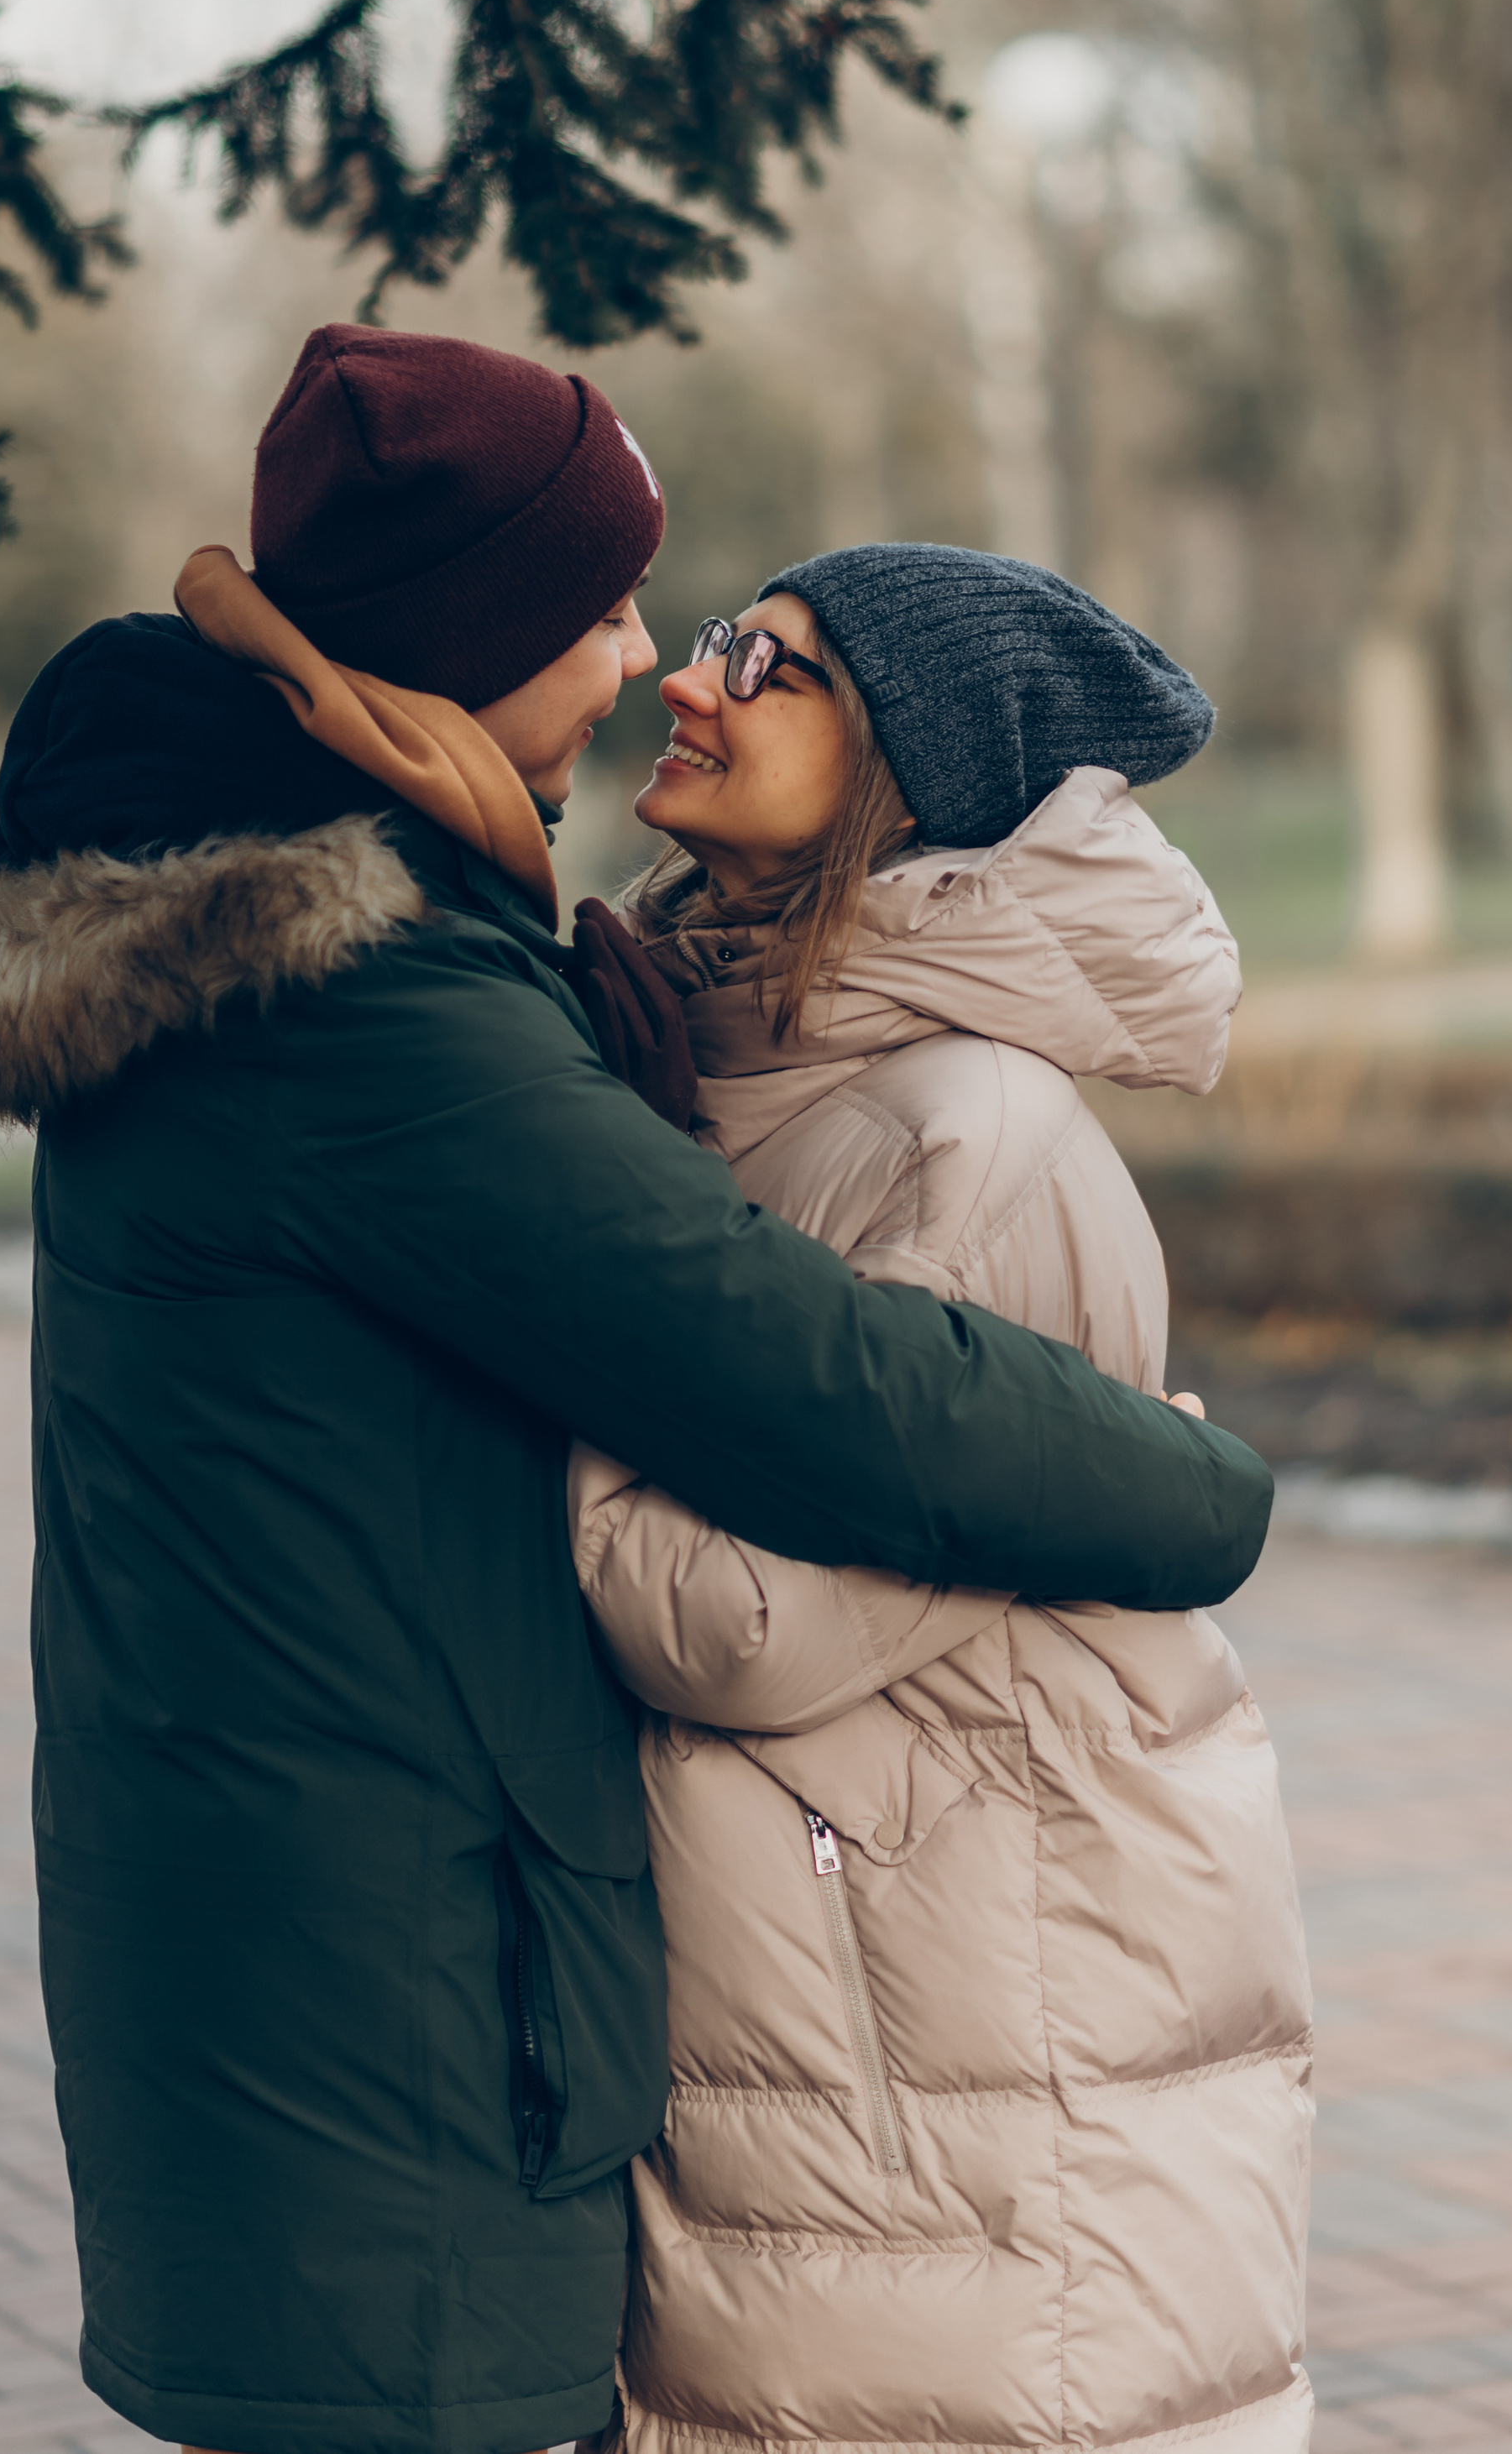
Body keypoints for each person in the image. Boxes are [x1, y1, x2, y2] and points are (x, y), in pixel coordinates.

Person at [0, 334, 1275, 2454]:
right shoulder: (354, 1005)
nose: (647, 665)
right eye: (614, 614)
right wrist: (1190, 1486)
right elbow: (781, 1367)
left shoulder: (362, 945)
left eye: (733, 646)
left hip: (404, 1987)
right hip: (385, 2021)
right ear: (471, 642)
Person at [573, 545, 1313, 2454]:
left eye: (775, 668)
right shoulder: (731, 1066)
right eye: (721, 637)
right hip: (856, 2036)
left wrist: (549, 1359)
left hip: (978, 2048)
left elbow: (748, 1623)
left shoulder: (964, 1136)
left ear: (907, 774)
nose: (692, 682)